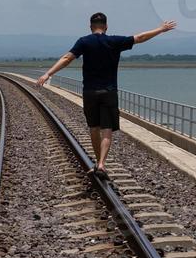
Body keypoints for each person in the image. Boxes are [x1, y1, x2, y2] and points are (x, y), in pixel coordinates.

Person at [36, 13, 177, 172]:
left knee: (94, 128)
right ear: (106, 26)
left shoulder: (84, 42)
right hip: (109, 92)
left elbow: (67, 58)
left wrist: (48, 73)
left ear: (90, 27)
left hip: (89, 92)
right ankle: (102, 164)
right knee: (107, 129)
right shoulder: (114, 41)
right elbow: (140, 37)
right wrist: (160, 29)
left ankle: (97, 163)